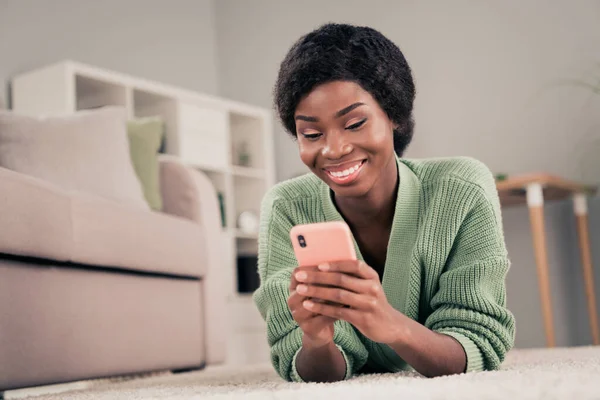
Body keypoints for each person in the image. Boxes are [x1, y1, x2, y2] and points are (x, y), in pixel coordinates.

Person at [252, 23, 515, 383]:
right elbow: (307, 372)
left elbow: (477, 348)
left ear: (394, 114)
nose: (333, 149)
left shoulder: (462, 188)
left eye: (355, 123)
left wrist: (390, 325)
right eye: (311, 134)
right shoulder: (286, 208)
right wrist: (316, 340)